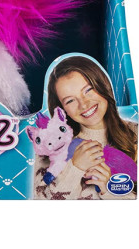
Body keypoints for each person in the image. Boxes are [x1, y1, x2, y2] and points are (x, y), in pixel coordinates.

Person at [33, 56, 137, 200]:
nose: (84, 104)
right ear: (62, 110)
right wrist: (74, 168)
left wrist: (110, 189)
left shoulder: (135, 132)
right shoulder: (51, 149)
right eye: (70, 100)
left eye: (88, 90)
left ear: (102, 85)